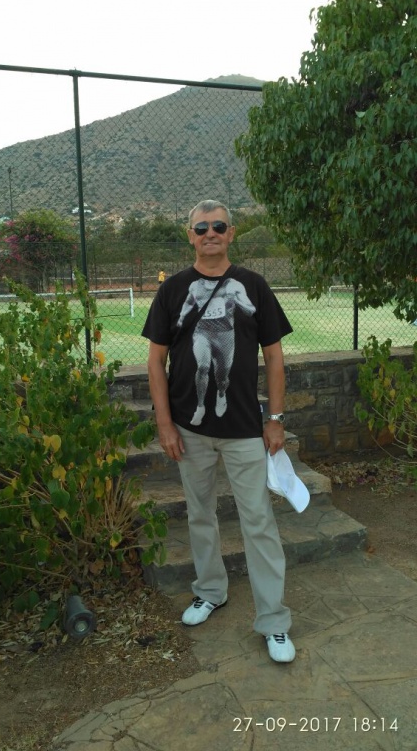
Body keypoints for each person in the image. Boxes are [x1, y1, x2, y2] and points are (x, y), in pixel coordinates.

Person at [142, 199, 295, 663]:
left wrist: (276, 419)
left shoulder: (253, 284)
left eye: (219, 226)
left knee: (259, 522)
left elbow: (274, 357)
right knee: (200, 514)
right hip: (189, 428)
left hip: (245, 428)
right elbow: (156, 361)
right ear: (190, 235)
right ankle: (210, 590)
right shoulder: (174, 290)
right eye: (201, 227)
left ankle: (273, 621)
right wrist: (165, 424)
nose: (210, 233)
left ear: (231, 233)